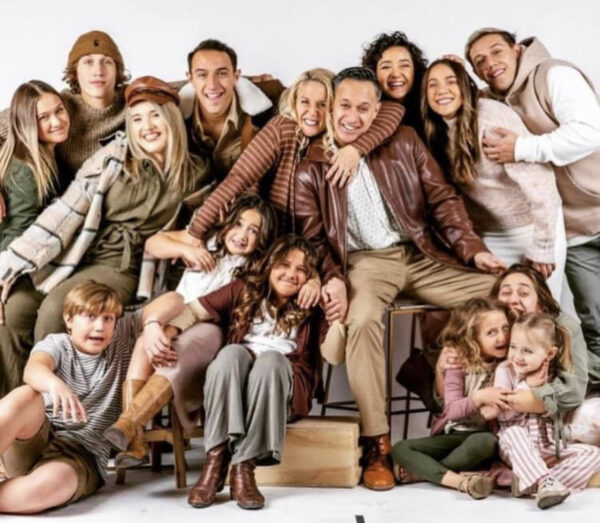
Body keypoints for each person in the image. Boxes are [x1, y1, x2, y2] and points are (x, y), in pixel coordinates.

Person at [294, 66, 505, 490]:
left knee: (511, 291)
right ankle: (378, 443)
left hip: (419, 252)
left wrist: (473, 249)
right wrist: (333, 278)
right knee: (362, 320)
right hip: (365, 264)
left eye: (363, 108)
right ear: (331, 108)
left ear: (377, 112)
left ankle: (515, 423)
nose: (353, 116)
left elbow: (442, 199)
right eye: (344, 106)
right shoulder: (310, 168)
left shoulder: (403, 141)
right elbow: (313, 239)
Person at [0, 76, 210, 396]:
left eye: (155, 115)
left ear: (172, 118)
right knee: (15, 311)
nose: (147, 127)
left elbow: (212, 218)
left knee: (56, 310)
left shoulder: (196, 172)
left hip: (124, 264)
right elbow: (65, 212)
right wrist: (6, 269)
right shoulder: (115, 156)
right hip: (77, 252)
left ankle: (56, 414)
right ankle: (13, 410)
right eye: (136, 119)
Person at [106, 235, 326, 510]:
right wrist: (167, 333)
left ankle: (244, 468)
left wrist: (325, 293)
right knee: (229, 354)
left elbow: (335, 349)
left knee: (270, 360)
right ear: (270, 264)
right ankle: (216, 462)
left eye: (302, 270)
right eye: (284, 264)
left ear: (310, 277)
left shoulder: (312, 305)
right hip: (237, 386)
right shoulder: (245, 289)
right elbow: (195, 310)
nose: (291, 274)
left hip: (278, 390)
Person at [465, 28, 600, 389]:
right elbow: (460, 102)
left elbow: (591, 130)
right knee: (595, 326)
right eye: (479, 62)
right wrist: (454, 75)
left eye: (496, 52)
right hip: (574, 229)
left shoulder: (553, 75)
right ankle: (568, 403)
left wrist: (523, 148)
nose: (490, 63)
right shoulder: (496, 101)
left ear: (516, 49)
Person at [108, 194, 277, 468]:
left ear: (262, 239)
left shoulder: (254, 269)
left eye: (253, 231)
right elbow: (152, 243)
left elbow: (211, 310)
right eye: (238, 224)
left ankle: (127, 423)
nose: (242, 234)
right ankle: (135, 443)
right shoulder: (206, 242)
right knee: (145, 341)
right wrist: (185, 249)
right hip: (172, 316)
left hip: (208, 327)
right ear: (228, 224)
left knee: (175, 351)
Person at [181, 67, 404, 245]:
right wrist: (196, 231)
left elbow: (393, 110)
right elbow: (239, 177)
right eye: (305, 102)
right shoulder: (283, 128)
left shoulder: (333, 135)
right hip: (255, 230)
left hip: (304, 241)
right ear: (294, 101)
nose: (312, 113)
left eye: (322, 104)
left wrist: (355, 149)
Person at [421, 59, 565, 298]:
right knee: (495, 310)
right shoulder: (435, 130)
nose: (441, 91)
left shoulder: (490, 117)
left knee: (540, 309)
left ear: (465, 86)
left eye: (451, 81)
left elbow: (541, 184)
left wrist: (543, 246)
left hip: (532, 227)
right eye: (432, 85)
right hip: (489, 234)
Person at [0, 282, 141, 514]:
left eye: (108, 318)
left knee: (41, 490)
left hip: (80, 452)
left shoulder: (121, 342)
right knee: (25, 395)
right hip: (39, 433)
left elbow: (173, 302)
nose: (99, 327)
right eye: (90, 316)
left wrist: (152, 325)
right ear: (69, 320)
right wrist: (55, 384)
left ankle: (23, 490)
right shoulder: (58, 344)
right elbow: (33, 369)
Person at [393, 298, 509, 499]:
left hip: (480, 438)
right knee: (400, 448)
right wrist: (480, 397)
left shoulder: (507, 365)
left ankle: (424, 472)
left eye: (505, 328)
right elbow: (453, 410)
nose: (502, 337)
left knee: (485, 441)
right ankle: (459, 482)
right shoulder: (458, 362)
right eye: (491, 332)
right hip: (453, 434)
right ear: (472, 337)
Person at [436, 264, 588, 415]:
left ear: (541, 302)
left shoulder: (562, 327)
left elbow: (573, 392)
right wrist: (440, 369)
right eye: (506, 292)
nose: (514, 299)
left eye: (524, 293)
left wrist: (507, 400)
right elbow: (448, 405)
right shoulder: (489, 336)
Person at [494, 313, 600, 509]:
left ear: (549, 354)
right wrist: (528, 385)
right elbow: (503, 413)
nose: (517, 356)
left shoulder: (552, 375)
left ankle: (530, 482)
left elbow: (558, 409)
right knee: (513, 433)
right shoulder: (505, 370)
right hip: (518, 447)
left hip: (548, 444)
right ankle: (543, 481)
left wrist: (544, 389)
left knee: (593, 453)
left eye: (527, 351)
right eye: (513, 347)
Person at [0, 30, 129, 182]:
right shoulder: (58, 107)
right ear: (75, 71)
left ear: (117, 71)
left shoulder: (133, 103)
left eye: (107, 62)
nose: (98, 71)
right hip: (58, 194)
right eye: (88, 62)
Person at [179, 38, 285, 182]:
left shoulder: (267, 108)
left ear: (235, 77)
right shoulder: (172, 118)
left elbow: (310, 98)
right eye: (202, 75)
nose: (212, 85)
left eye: (222, 73)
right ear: (190, 79)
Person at [0, 81, 70, 251]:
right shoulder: (26, 170)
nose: (57, 122)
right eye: (43, 117)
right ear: (27, 123)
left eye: (59, 110)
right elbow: (17, 234)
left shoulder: (51, 153)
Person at [362, 30, 428, 133]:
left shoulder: (428, 105)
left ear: (415, 69)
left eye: (404, 65)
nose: (396, 74)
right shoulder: (366, 110)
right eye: (386, 67)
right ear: (374, 73)